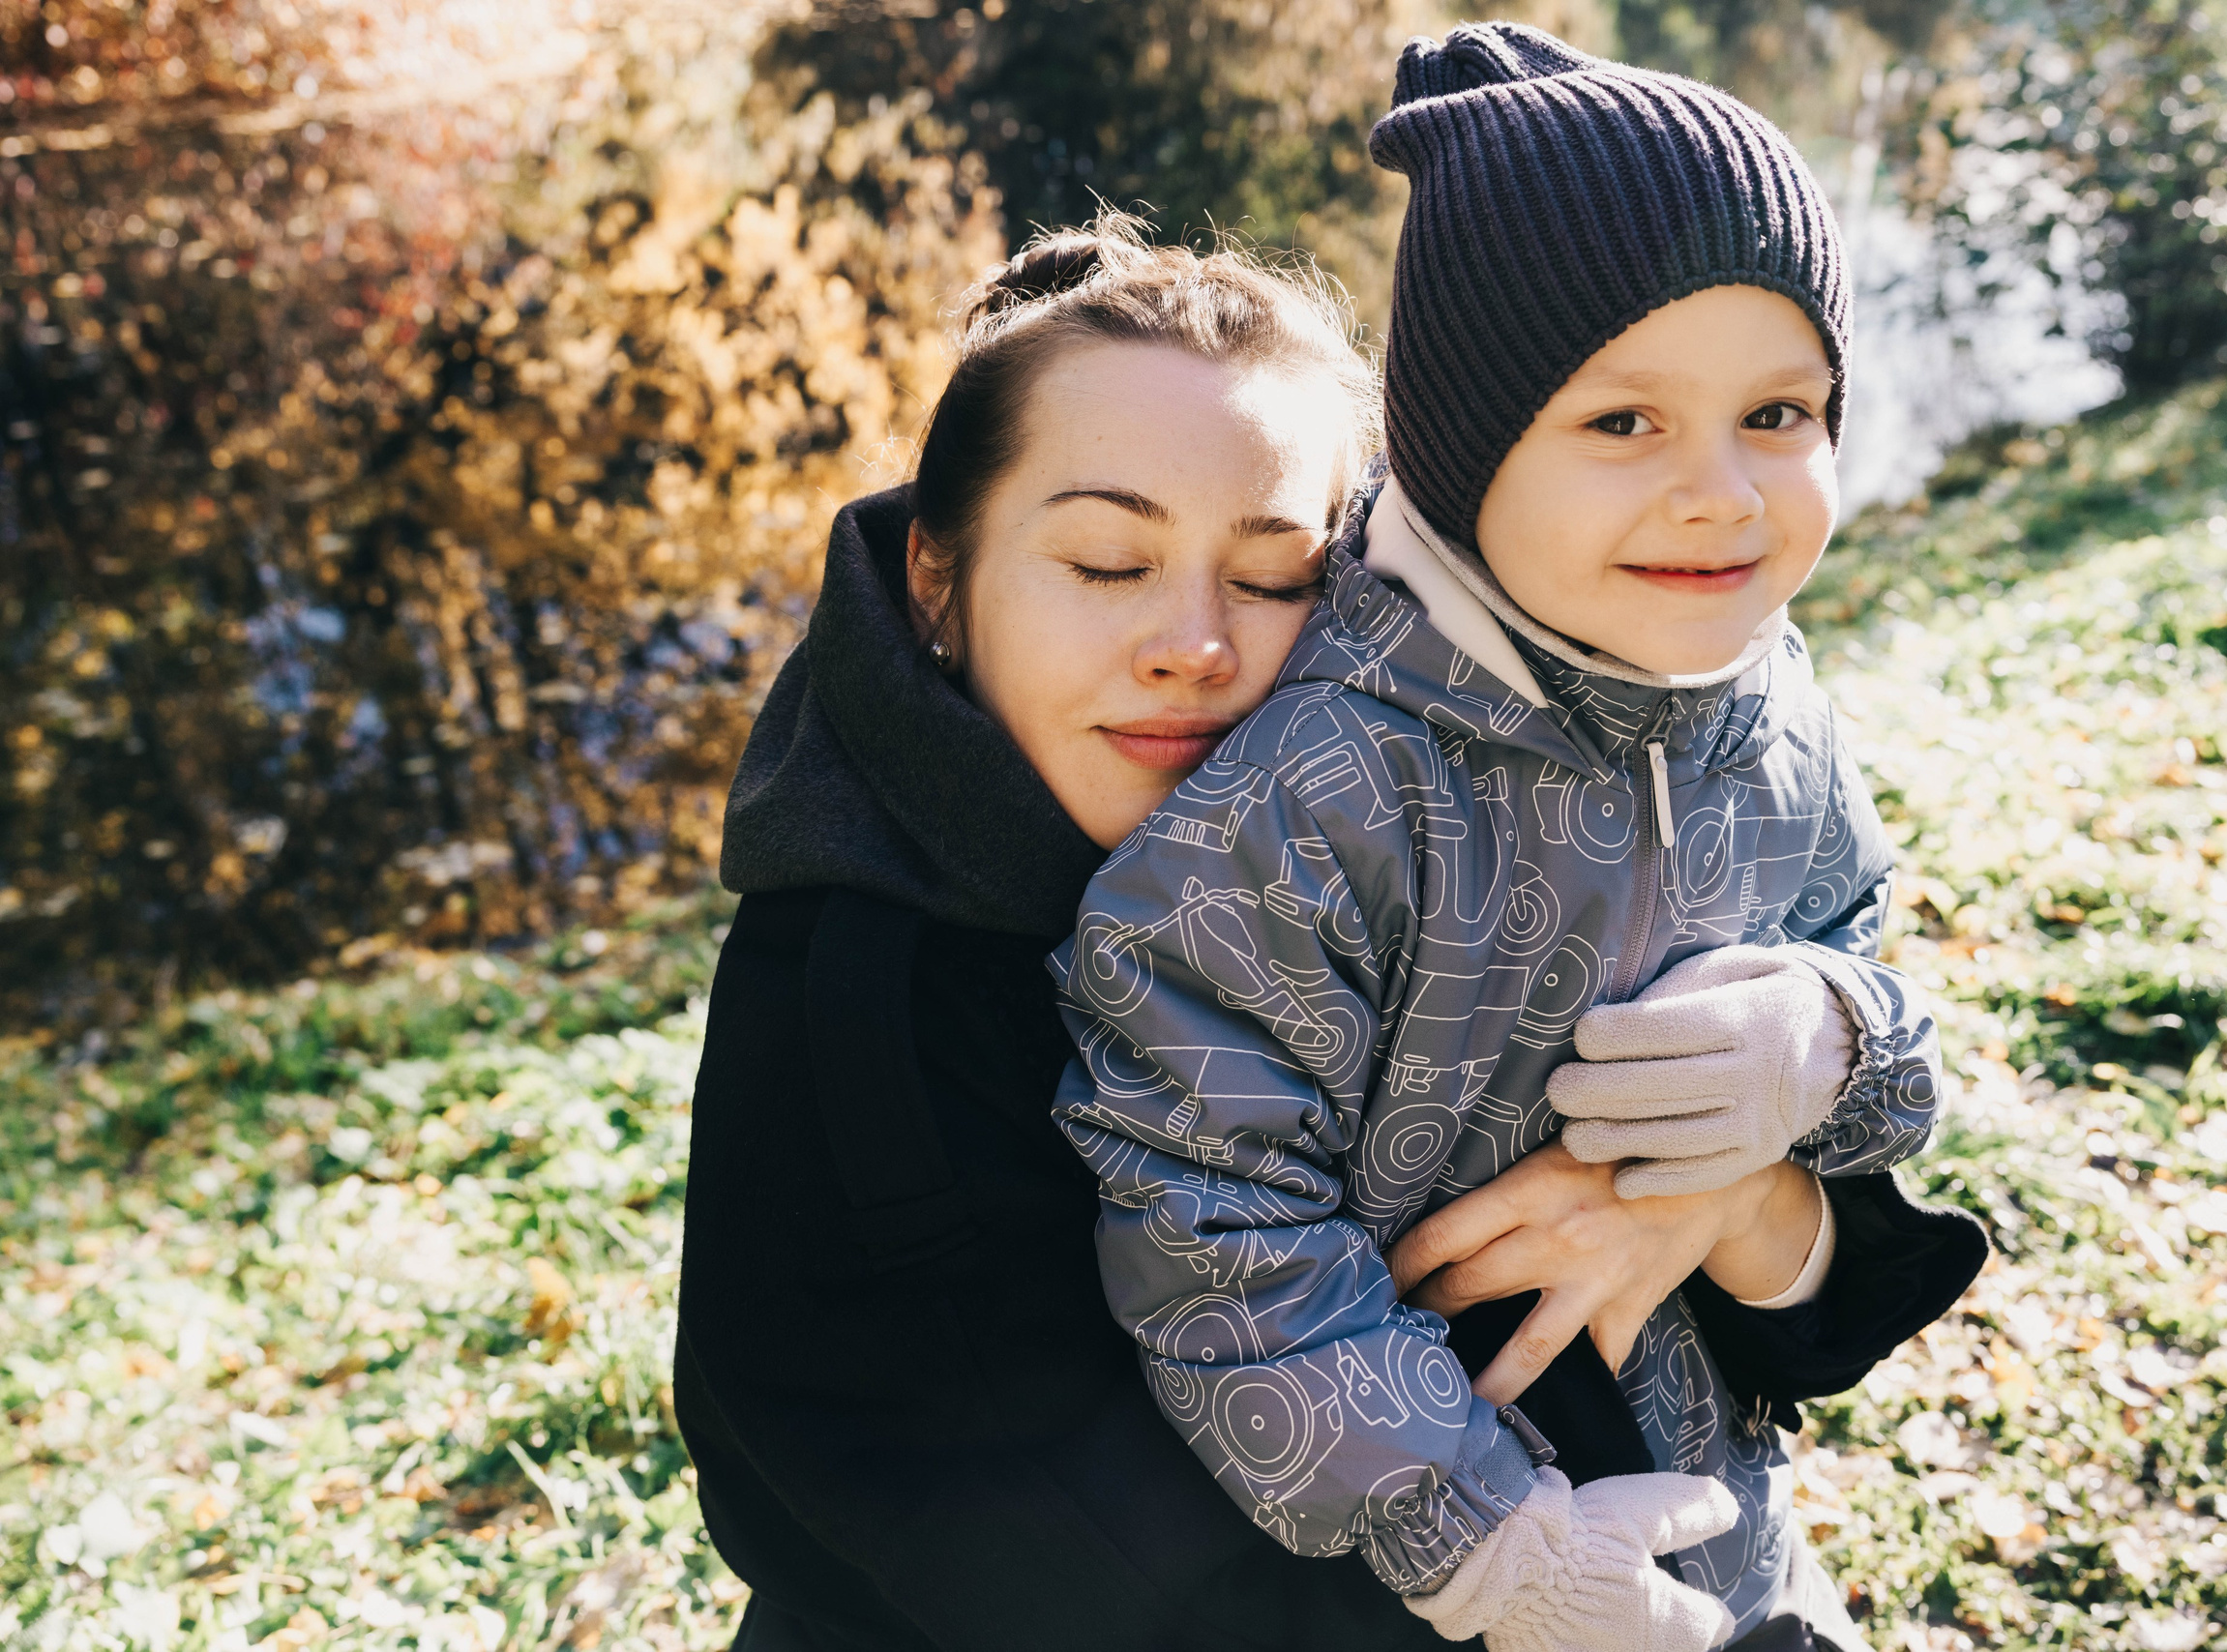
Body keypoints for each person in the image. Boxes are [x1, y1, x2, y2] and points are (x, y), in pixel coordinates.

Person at [674, 215, 1959, 1652]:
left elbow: (1786, 1324)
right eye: (1107, 563)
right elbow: (977, 1532)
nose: (1195, 645)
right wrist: (1508, 1571)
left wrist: (1728, 1197)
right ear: (937, 581)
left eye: (1276, 576)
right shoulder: (861, 1002)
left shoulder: (1434, 841)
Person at [1050, 26, 1984, 1652]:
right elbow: (1211, 1215)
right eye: (1623, 423)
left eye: (1780, 411)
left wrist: (1832, 1039)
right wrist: (1484, 1546)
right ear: (1470, 441)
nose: (1725, 497)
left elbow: (1866, 948)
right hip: (1468, 1585)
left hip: (1734, 1528)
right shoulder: (1320, 791)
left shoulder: (1766, 703)